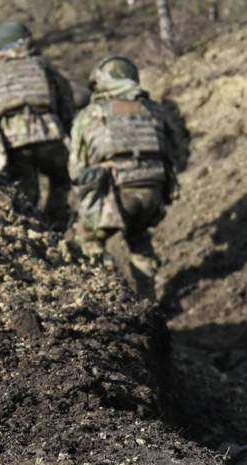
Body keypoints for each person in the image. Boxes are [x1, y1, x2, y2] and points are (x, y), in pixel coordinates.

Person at [68, 56, 179, 300]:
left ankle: (110, 293)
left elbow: (76, 169)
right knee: (138, 236)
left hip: (114, 194)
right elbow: (175, 151)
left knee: (87, 238)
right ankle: (148, 300)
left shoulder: (90, 114)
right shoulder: (155, 111)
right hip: (154, 192)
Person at [0, 20, 75, 229]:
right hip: (50, 136)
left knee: (22, 192)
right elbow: (67, 106)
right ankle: (56, 219)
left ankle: (28, 230)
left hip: (11, 143)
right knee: (61, 178)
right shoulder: (44, 66)